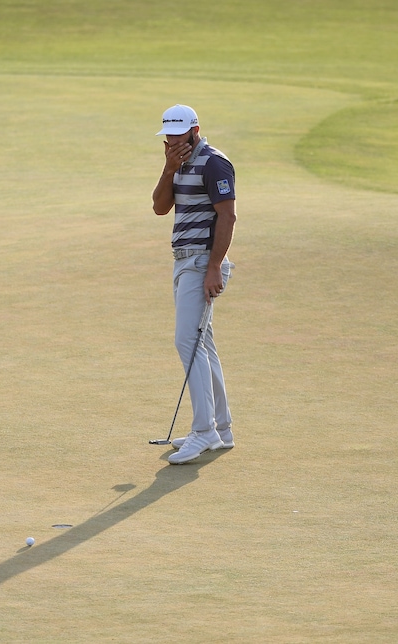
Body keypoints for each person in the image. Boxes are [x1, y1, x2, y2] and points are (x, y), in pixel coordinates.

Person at [152, 104, 237, 465]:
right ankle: (222, 429)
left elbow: (228, 215)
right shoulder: (178, 162)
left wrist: (214, 267)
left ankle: (204, 431)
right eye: (167, 135)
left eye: (178, 133)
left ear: (195, 129)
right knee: (204, 344)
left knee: (186, 340)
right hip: (183, 259)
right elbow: (159, 207)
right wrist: (170, 167)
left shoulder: (215, 162)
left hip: (202, 261)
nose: (172, 140)